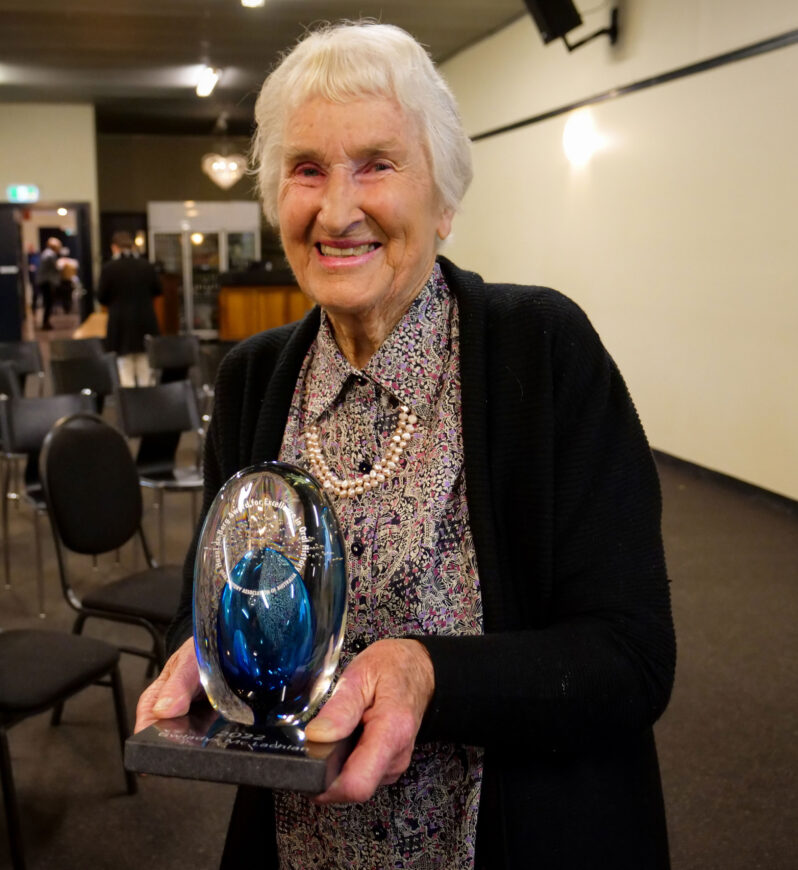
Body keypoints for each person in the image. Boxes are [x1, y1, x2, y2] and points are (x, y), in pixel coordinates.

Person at [135, 21, 676, 870]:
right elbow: (201, 601)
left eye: (377, 164)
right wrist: (198, 659)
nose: (337, 208)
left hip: (510, 835)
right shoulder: (252, 377)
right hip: (299, 841)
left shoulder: (542, 349)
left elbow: (630, 658)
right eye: (307, 169)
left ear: (445, 199)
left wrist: (428, 674)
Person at [96, 231, 161, 386]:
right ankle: (148, 404)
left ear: (114, 247)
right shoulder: (146, 265)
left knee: (124, 366)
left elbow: (101, 297)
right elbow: (158, 290)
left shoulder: (110, 268)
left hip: (120, 322)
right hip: (145, 320)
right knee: (145, 365)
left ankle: (129, 403)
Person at [34, 236, 62, 329]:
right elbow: (56, 267)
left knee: (48, 302)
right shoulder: (50, 255)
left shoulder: (46, 253)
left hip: (44, 280)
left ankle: (46, 322)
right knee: (48, 302)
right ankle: (45, 323)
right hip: (46, 281)